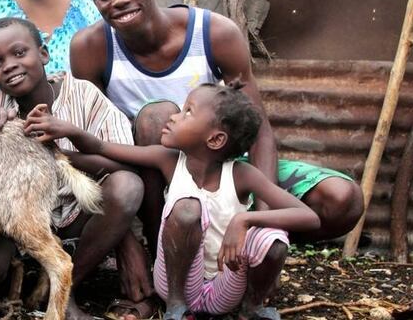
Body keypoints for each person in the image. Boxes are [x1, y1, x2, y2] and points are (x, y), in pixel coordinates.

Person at [71, 0, 363, 260]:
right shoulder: (90, 49)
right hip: (148, 178)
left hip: (218, 166)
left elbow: (258, 128)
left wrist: (261, 221)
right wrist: (127, 251)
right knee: (157, 117)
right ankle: (159, 255)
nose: (120, 0)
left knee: (341, 199)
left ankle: (230, 248)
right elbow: (90, 141)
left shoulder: (214, 34)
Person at [34, 82, 320, 320]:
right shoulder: (169, 160)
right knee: (187, 208)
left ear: (216, 139)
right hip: (175, 282)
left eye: (187, 112)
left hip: (226, 286)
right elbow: (101, 148)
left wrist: (244, 219)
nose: (173, 116)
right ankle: (175, 307)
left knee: (273, 239)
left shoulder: (242, 175)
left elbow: (307, 216)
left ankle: (253, 307)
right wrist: (63, 138)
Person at [0, 17, 144, 320]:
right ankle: (31, 280)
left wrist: (60, 147)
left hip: (78, 214)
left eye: (19, 53)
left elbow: (126, 163)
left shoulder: (84, 95)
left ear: (44, 54)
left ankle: (63, 287)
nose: (9, 65)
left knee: (127, 187)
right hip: (16, 223)